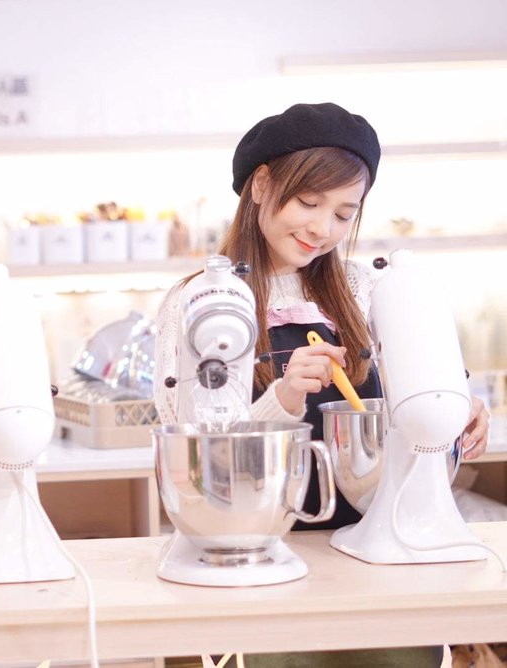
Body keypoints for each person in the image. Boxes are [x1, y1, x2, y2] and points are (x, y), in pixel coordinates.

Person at [152, 102, 491, 667]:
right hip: (267, 560)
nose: (322, 228)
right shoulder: (203, 302)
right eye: (308, 203)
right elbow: (198, 454)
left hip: (377, 555)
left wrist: (455, 403)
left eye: (342, 213)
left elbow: (416, 390)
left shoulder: (366, 289)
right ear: (261, 185)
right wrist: (281, 398)